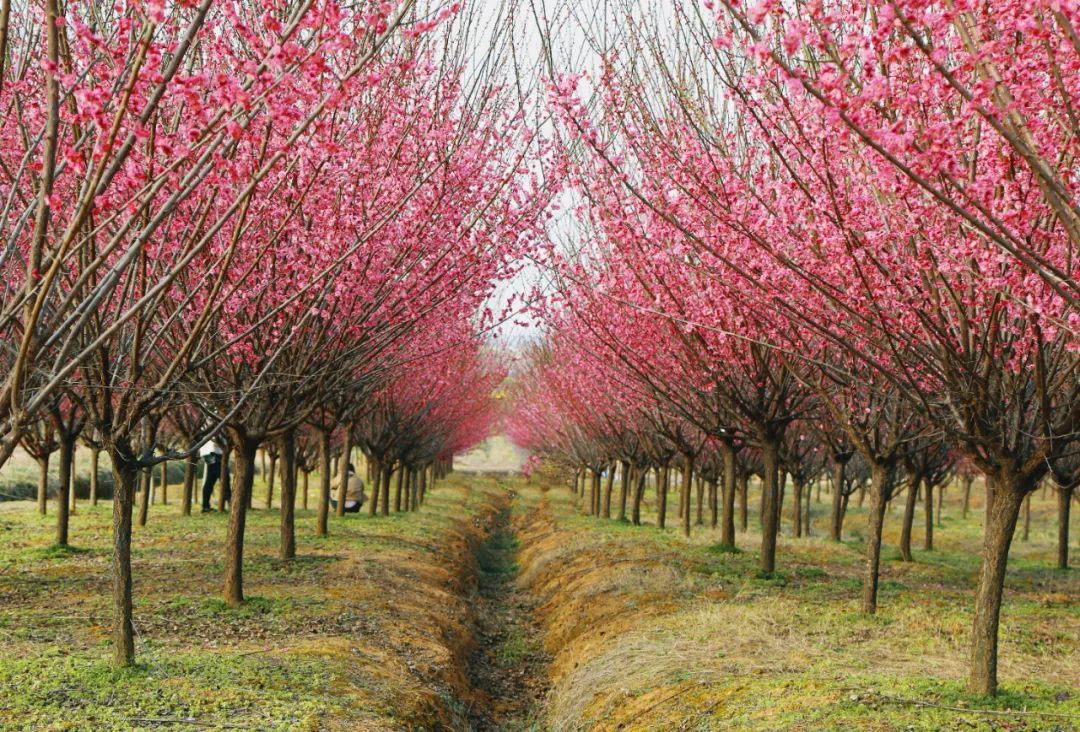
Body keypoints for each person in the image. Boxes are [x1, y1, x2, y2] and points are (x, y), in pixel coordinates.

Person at [199, 438, 224, 513]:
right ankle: (230, 503)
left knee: (210, 480)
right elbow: (215, 439)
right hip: (213, 452)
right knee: (223, 478)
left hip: (211, 452)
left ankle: (205, 506)